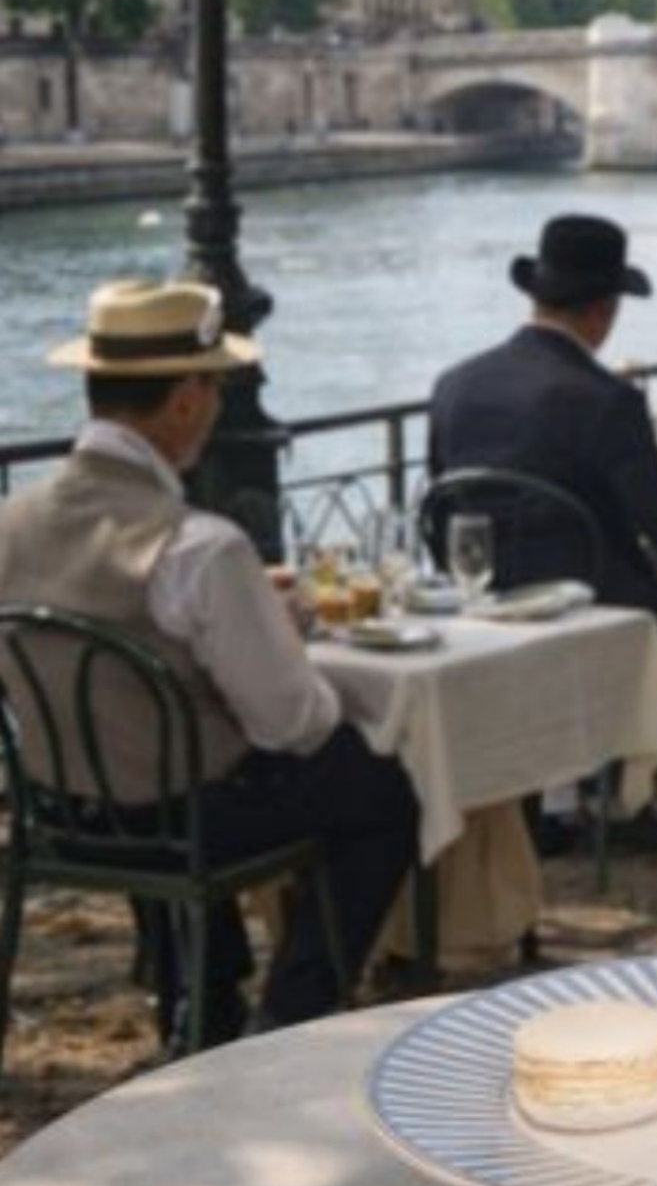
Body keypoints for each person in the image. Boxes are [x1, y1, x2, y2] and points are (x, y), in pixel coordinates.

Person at [0, 281, 419, 1046]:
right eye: (217, 387)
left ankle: (200, 995)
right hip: (180, 819)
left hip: (56, 810)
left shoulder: (11, 522)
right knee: (377, 787)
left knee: (162, 748)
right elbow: (292, 723)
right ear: (188, 400)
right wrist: (279, 636)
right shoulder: (197, 545)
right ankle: (291, 1020)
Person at [429, 215, 657, 699]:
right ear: (604, 311)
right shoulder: (607, 399)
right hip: (594, 609)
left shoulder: (453, 385)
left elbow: (445, 507)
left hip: (481, 609)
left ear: (535, 297)